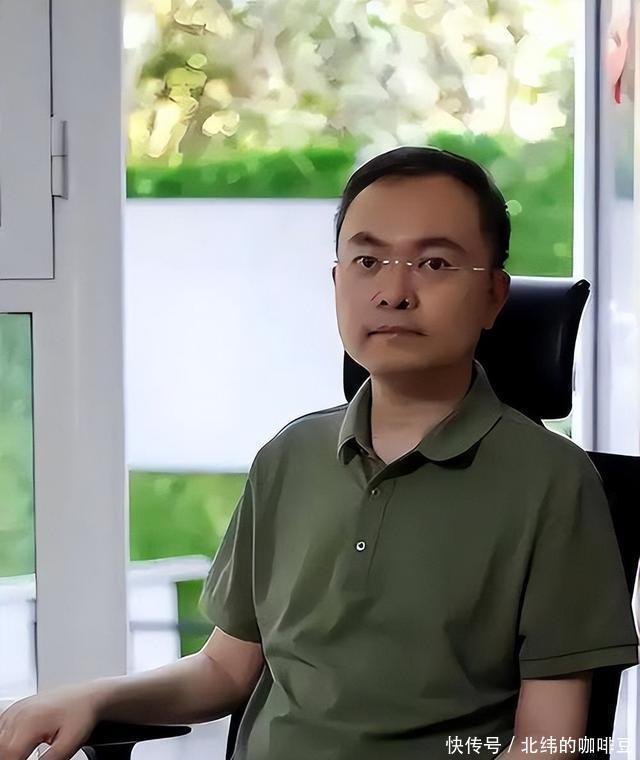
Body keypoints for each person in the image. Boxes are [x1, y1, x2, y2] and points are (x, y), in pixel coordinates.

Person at [1, 146, 637, 760]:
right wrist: (92, 696)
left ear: (495, 295)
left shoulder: (553, 481)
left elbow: (550, 740)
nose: (393, 292)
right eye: (367, 261)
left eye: (435, 263)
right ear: (337, 282)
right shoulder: (289, 458)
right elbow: (224, 669)